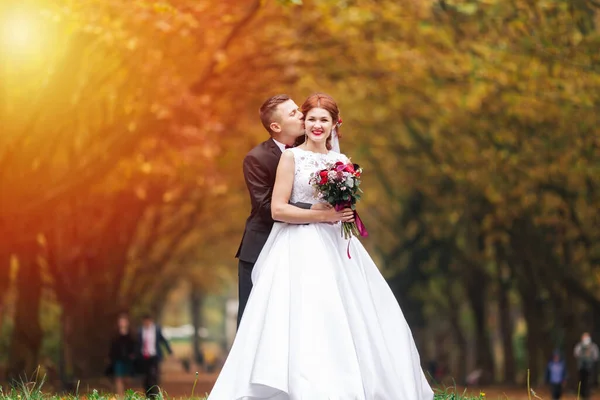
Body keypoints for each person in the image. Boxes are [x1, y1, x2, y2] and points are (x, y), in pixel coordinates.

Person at [208, 93, 434, 399]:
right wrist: (321, 214)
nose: (313, 124)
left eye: (321, 119)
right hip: (293, 245)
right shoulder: (288, 157)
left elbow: (341, 206)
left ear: (334, 125)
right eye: (308, 117)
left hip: (335, 246)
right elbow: (275, 209)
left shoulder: (341, 162)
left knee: (345, 311)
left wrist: (343, 211)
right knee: (292, 314)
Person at [234, 94, 343, 327]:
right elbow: (266, 208)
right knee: (254, 320)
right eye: (294, 113)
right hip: (262, 244)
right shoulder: (257, 158)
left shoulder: (315, 146)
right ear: (276, 126)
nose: (302, 115)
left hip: (311, 244)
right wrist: (317, 211)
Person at [137, 314, 173, 398]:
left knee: (154, 375)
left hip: (154, 356)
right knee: (146, 377)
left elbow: (163, 340)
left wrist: (169, 351)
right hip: (144, 357)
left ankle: (154, 393)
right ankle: (147, 394)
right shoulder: (140, 330)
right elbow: (138, 344)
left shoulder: (156, 330)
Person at [108, 313, 136, 397]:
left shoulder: (131, 334)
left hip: (128, 359)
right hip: (118, 359)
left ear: (127, 323)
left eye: (124, 322)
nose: (122, 323)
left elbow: (134, 345)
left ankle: (128, 395)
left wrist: (133, 355)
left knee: (127, 379)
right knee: (118, 378)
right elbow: (112, 346)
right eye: (121, 322)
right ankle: (121, 396)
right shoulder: (115, 334)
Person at [574, 332, 599, 399]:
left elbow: (596, 356)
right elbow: (576, 354)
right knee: (581, 381)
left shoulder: (593, 346)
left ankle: (588, 395)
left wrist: (590, 356)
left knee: (589, 381)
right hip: (581, 368)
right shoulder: (579, 346)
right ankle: (581, 395)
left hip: (589, 367)